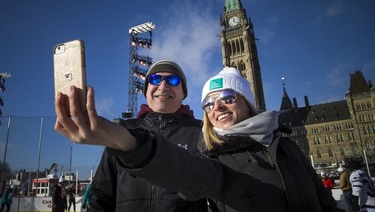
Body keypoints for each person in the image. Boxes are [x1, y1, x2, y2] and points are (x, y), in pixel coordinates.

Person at [55, 67, 343, 212]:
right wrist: (126, 141)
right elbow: (185, 171)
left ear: (247, 102)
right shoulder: (216, 153)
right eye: (210, 103)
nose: (217, 107)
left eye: (228, 98)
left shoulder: (286, 146)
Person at [84, 60, 208, 211]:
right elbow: (101, 194)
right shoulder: (124, 130)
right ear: (146, 90)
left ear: (183, 93)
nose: (163, 86)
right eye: (155, 79)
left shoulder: (201, 131)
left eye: (173, 80)